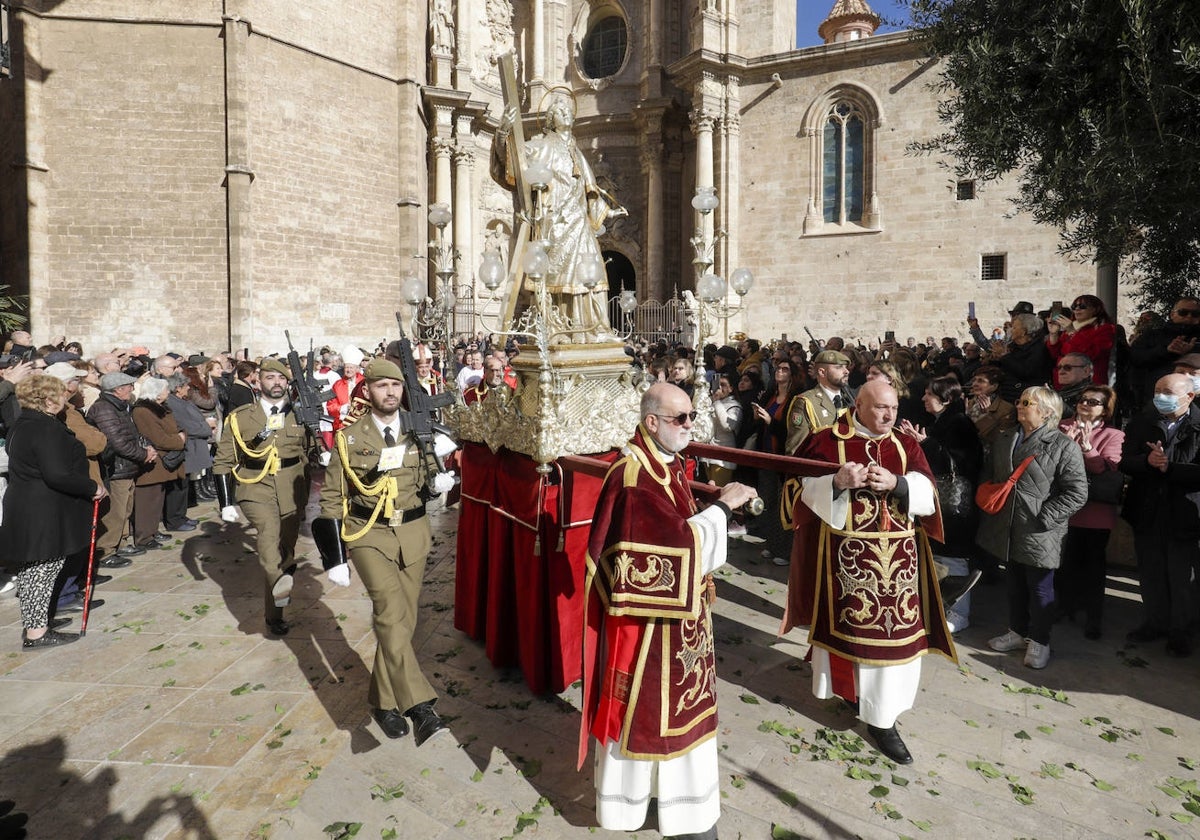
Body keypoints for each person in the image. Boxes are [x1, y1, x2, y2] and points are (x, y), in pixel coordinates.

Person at [580, 382, 757, 838]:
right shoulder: (635, 475)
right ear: (652, 421)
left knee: (681, 715)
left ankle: (677, 806)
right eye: (681, 418)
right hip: (650, 631)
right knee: (656, 717)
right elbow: (669, 549)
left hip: (680, 618)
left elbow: (677, 522)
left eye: (692, 415)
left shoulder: (666, 463)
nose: (690, 425)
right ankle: (676, 814)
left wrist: (716, 510)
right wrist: (723, 508)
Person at [783, 379, 954, 764]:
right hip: (845, 565)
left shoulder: (905, 444)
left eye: (893, 408)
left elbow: (929, 491)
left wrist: (900, 483)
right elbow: (796, 489)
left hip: (899, 565)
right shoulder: (827, 440)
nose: (889, 415)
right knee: (854, 638)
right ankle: (852, 694)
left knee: (894, 644)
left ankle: (883, 720)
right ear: (858, 404)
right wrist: (835, 483)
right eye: (880, 408)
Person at [313, 358, 454, 745]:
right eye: (381, 386)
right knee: (390, 614)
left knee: (401, 624)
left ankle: (383, 701)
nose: (390, 392)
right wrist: (333, 557)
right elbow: (330, 499)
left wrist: (439, 482)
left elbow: (427, 482)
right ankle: (420, 706)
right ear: (367, 390)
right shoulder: (350, 438)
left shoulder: (419, 430)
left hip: (413, 533)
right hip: (368, 534)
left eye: (395, 386)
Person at [491, 93, 626, 342]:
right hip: (555, 221)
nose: (565, 113)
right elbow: (514, 160)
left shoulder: (576, 151)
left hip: (579, 221)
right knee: (555, 276)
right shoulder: (541, 145)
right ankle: (556, 329)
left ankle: (594, 330)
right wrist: (502, 134)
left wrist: (607, 211)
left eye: (567, 110)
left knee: (591, 270)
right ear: (551, 121)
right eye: (559, 111)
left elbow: (589, 190)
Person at [977, 386, 1087, 670]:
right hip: (1008, 525)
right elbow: (991, 472)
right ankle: (1017, 632)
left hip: (1040, 529)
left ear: (1047, 412)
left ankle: (1040, 640)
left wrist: (1045, 516)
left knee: (1040, 588)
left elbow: (1077, 492)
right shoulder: (1006, 438)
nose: (1020, 406)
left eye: (1028, 402)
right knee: (1014, 584)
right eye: (1020, 401)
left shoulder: (1063, 446)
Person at [213, 358, 317, 636]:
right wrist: (225, 503)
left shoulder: (300, 414)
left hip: (291, 489)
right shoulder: (241, 417)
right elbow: (223, 461)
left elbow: (309, 453)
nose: (277, 383)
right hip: (255, 486)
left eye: (281, 378)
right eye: (270, 378)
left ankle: (279, 599)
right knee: (270, 544)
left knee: (286, 551)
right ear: (259, 381)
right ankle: (277, 604)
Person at [1, 375, 106, 647]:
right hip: (41, 508)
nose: (64, 398)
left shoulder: (23, 423)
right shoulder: (45, 429)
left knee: (35, 568)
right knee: (41, 568)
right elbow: (57, 474)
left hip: (28, 503)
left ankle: (38, 620)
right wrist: (91, 486)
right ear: (47, 400)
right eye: (60, 394)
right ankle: (36, 633)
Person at [1119, 373, 1200, 656]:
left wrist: (1171, 468)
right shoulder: (1144, 422)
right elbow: (1124, 462)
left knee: (1182, 579)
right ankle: (1154, 622)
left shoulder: (1198, 425)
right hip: (1147, 511)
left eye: (1167, 392)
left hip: (1184, 515)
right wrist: (1147, 461)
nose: (1160, 396)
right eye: (1157, 390)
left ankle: (1181, 631)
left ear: (1189, 396)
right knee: (1150, 572)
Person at [899, 375, 983, 634]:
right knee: (938, 558)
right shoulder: (942, 421)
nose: (924, 398)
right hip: (940, 502)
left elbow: (958, 463)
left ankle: (959, 613)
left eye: (929, 394)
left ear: (945, 399)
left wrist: (926, 443)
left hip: (955, 507)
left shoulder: (960, 424)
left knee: (954, 559)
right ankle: (939, 607)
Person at [1057, 384, 1124, 640]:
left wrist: (1086, 447)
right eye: (1082, 399)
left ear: (1105, 410)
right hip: (1064, 509)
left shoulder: (1113, 435)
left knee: (1093, 568)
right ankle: (1064, 606)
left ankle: (1093, 618)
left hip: (1094, 512)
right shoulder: (1062, 426)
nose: (1085, 404)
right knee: (1065, 563)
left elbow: (1107, 468)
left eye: (1093, 401)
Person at [87, 371, 157, 567]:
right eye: (129, 386)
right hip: (116, 467)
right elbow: (117, 442)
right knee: (115, 511)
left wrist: (146, 448)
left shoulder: (119, 406)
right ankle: (107, 550)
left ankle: (122, 542)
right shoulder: (104, 409)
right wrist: (144, 454)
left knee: (125, 509)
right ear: (118, 390)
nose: (132, 390)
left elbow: (131, 434)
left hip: (127, 465)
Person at [130, 377, 188, 549]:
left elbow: (176, 427)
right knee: (147, 501)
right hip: (154, 462)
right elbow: (158, 438)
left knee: (157, 500)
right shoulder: (143, 411)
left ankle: (152, 531)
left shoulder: (160, 408)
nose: (168, 392)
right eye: (165, 389)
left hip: (164, 461)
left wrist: (180, 435)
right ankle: (144, 537)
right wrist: (179, 439)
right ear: (156, 392)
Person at [1046, 294, 1116, 387]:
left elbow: (1093, 353)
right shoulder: (1072, 327)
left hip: (1087, 382)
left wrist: (1072, 332)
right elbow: (1055, 355)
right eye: (1074, 307)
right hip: (1064, 381)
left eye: (1082, 306)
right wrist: (1053, 334)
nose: (1077, 309)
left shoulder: (1105, 328)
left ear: (1095, 309)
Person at [965, 365, 1016, 450]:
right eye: (974, 380)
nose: (975, 384)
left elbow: (1000, 440)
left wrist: (987, 416)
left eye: (981, 381)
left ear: (994, 386)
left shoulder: (1007, 410)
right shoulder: (968, 403)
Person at [1052, 352, 1094, 419]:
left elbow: (1079, 419)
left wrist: (1053, 400)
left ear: (1086, 371)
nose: (1061, 371)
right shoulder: (1062, 392)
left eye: (1067, 367)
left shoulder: (1094, 395)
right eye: (1059, 368)